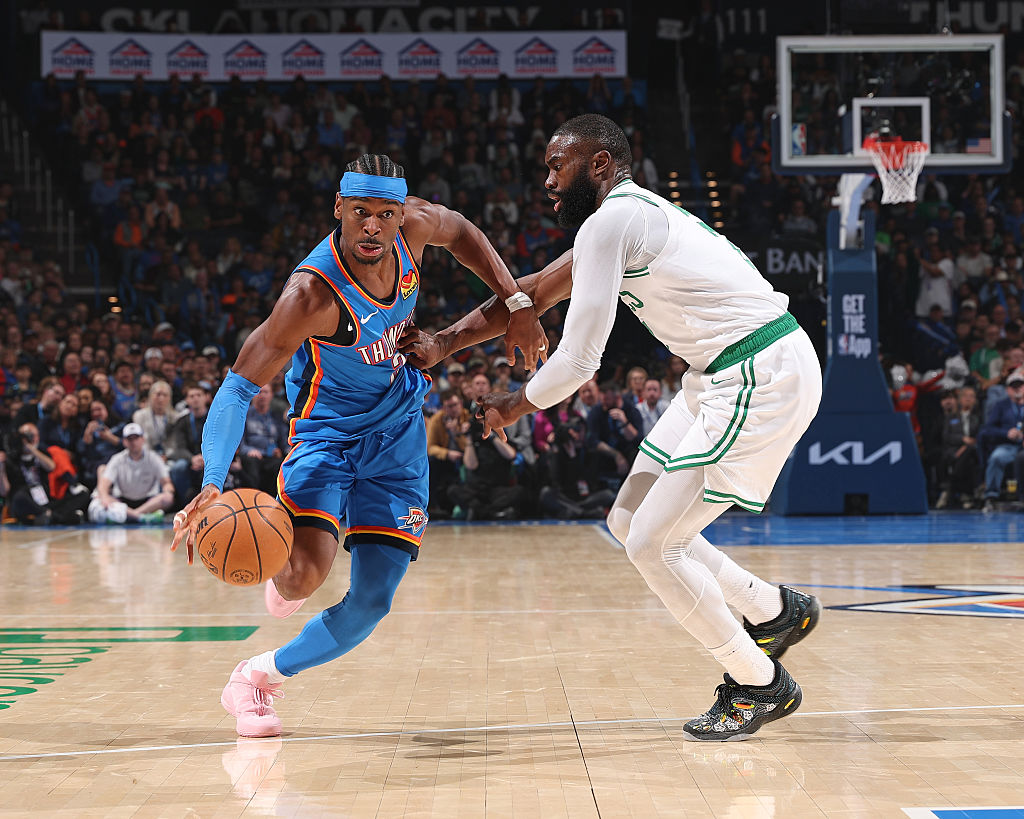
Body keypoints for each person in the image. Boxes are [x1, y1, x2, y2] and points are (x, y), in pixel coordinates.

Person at [400, 115, 823, 741]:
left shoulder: (613, 221)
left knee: (654, 544)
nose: (548, 180)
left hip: (758, 372)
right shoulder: (622, 219)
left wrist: (512, 406)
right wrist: (443, 343)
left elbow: (578, 361)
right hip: (717, 375)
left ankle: (758, 683)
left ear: (599, 164)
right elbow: (532, 293)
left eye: (557, 166)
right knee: (628, 520)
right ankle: (774, 610)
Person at [170, 154, 545, 738]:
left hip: (398, 437)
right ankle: (281, 568)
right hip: (327, 438)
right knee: (301, 578)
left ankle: (256, 676)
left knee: (372, 603)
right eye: (360, 213)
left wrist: (514, 299)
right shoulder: (310, 296)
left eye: (385, 215)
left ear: (401, 215)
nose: (372, 226)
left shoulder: (415, 229)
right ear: (339, 209)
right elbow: (239, 386)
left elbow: (463, 233)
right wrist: (213, 480)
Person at [88, 423, 174, 524]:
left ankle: (131, 515)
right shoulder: (117, 459)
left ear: (142, 439)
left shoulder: (154, 458)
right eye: (130, 439)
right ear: (124, 442)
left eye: (136, 438)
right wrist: (104, 497)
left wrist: (168, 489)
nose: (133, 442)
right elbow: (104, 484)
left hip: (148, 502)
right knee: (100, 499)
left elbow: (166, 482)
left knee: (168, 498)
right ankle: (141, 517)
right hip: (122, 501)